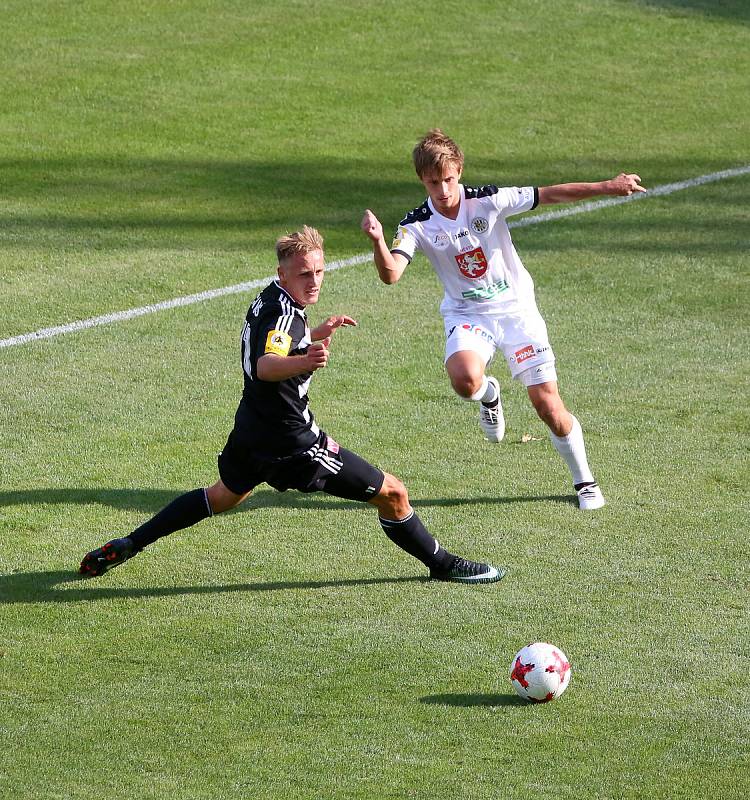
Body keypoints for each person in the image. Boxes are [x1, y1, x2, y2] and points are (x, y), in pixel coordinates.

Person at [79, 225, 503, 584]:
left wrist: (314, 333)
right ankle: (442, 565)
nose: (314, 281)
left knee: (223, 496)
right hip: (295, 444)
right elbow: (266, 364)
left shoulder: (271, 301)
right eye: (304, 274)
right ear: (282, 271)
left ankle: (130, 543)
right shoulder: (285, 317)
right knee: (394, 493)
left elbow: (274, 342)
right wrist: (307, 357)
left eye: (319, 271)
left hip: (251, 432)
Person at [361, 129, 646, 511]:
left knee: (548, 406)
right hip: (467, 314)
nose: (442, 189)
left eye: (448, 179)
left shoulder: (488, 201)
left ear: (459, 170)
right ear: (422, 180)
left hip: (516, 311)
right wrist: (379, 240)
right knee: (465, 382)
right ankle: (489, 395)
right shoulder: (416, 225)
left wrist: (608, 186)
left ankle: (585, 480)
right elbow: (391, 274)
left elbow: (550, 194)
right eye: (433, 182)